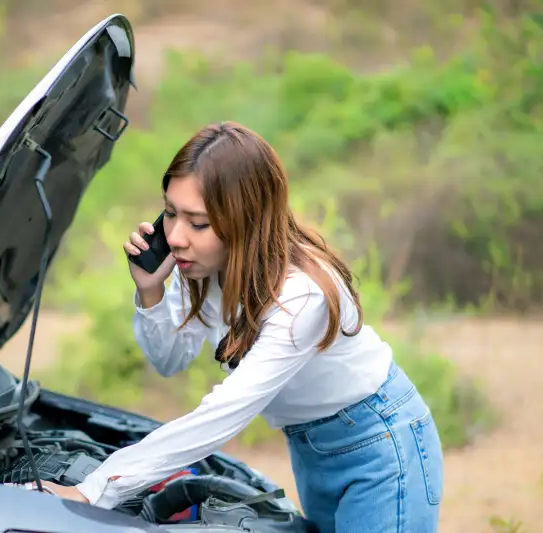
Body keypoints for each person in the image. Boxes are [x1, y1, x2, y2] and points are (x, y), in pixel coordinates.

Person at [45, 121, 444, 532]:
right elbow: (169, 359)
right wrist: (150, 291)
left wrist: (96, 489)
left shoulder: (300, 297)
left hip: (379, 444)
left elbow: (224, 414)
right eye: (169, 213)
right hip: (309, 447)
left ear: (246, 220)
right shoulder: (199, 267)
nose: (177, 237)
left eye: (197, 223)